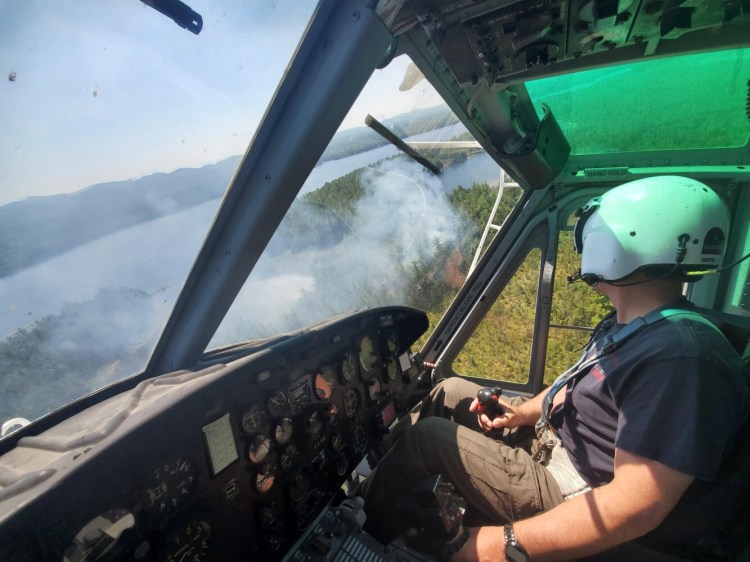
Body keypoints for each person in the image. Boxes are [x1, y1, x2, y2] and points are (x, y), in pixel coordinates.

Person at [360, 176, 750, 561]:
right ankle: (396, 489)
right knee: (451, 391)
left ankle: (363, 533)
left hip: (574, 488)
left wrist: (495, 546)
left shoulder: (680, 359)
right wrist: (524, 412)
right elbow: (578, 381)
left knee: (426, 438)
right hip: (558, 442)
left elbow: (633, 508)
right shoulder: (636, 325)